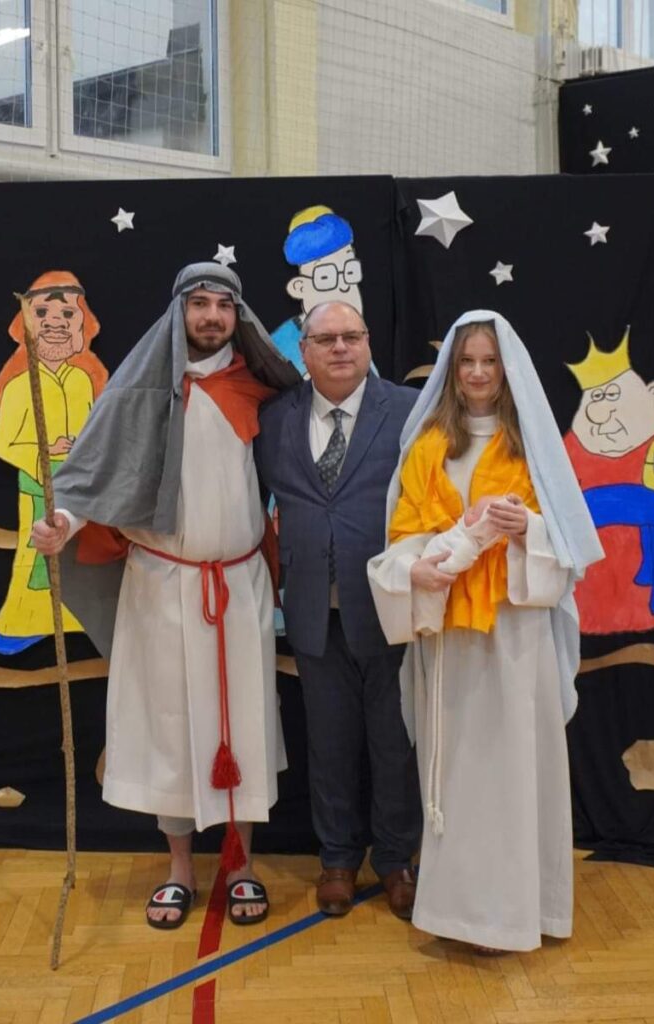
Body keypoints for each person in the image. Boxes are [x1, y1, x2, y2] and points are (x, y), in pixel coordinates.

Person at [30, 262, 300, 929]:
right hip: (161, 586)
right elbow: (92, 477)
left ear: (238, 316)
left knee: (241, 726)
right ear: (179, 311)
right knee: (171, 728)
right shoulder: (139, 390)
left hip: (237, 588)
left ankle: (240, 865)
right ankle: (179, 870)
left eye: (223, 306)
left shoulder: (260, 389)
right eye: (199, 303)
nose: (211, 316)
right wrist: (61, 522)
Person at [367, 311, 602, 953]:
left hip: (514, 634)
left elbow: (571, 549)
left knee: (515, 772)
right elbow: (404, 538)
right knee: (459, 776)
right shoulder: (428, 448)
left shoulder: (533, 450)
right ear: (452, 370)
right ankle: (462, 914)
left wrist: (530, 531)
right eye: (467, 361)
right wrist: (418, 567)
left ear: (506, 370)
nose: (477, 373)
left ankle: (520, 913)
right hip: (452, 638)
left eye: (489, 362)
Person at [255, 300, 422, 920]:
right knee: (327, 744)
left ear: (368, 341)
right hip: (310, 610)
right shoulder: (275, 417)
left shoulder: (408, 411)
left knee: (394, 742)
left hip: (389, 608)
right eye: (325, 339)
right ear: (304, 351)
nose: (340, 348)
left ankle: (398, 859)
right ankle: (337, 861)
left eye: (352, 335)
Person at [0, 270, 108, 654]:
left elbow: (96, 433)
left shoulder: (83, 381)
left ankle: (76, 618)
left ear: (81, 325)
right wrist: (44, 454)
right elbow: (4, 443)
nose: (56, 324)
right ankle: (21, 622)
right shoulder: (20, 386)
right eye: (43, 314)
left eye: (67, 315)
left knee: (80, 558)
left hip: (81, 491)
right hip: (39, 488)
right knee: (36, 559)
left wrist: (77, 449)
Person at [563, 330, 654, 634]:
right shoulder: (572, 447)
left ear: (653, 393)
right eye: (596, 397)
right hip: (596, 595)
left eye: (611, 395)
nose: (600, 412)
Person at [270, 205, 364, 374]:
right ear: (299, 287)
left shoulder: (359, 342)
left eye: (350, 272)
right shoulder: (280, 347)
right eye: (326, 277)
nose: (343, 286)